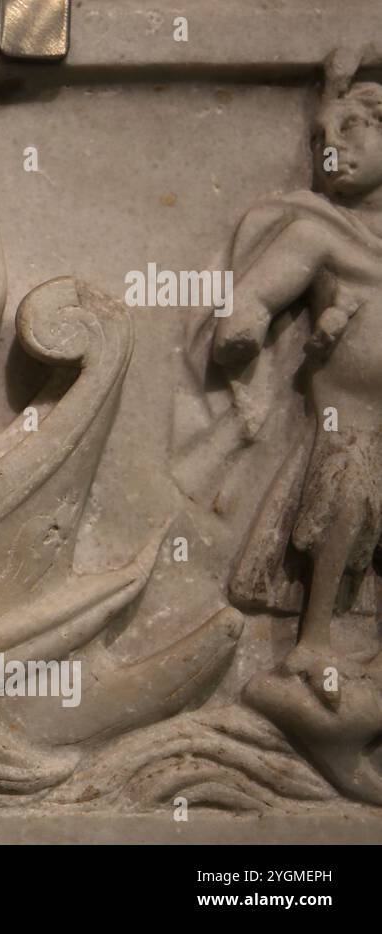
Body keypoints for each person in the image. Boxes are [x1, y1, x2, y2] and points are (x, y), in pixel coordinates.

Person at [211, 79, 382, 679]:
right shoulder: (317, 231)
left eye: (350, 130)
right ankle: (312, 642)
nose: (330, 150)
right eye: (318, 140)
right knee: (348, 499)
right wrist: (245, 324)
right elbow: (254, 297)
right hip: (347, 414)